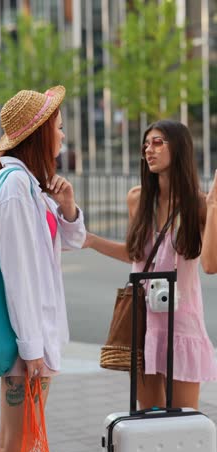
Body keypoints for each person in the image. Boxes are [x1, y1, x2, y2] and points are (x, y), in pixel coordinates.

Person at [0, 86, 86, 452]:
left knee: (19, 441)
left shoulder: (29, 185)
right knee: (17, 444)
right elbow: (19, 274)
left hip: (30, 340)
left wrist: (68, 207)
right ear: (40, 133)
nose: (62, 135)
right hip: (25, 343)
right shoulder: (14, 189)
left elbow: (68, 242)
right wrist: (31, 350)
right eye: (58, 127)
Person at [84, 119, 217, 410]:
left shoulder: (198, 205)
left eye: (158, 142)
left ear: (179, 149)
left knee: (183, 421)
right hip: (144, 321)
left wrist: (214, 208)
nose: (149, 150)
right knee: (147, 419)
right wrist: (92, 240)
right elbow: (137, 257)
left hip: (182, 322)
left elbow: (210, 264)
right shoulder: (138, 199)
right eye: (146, 144)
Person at [201, 170, 217, 273]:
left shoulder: (198, 203)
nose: (148, 152)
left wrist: (211, 203)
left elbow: (210, 267)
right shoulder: (141, 198)